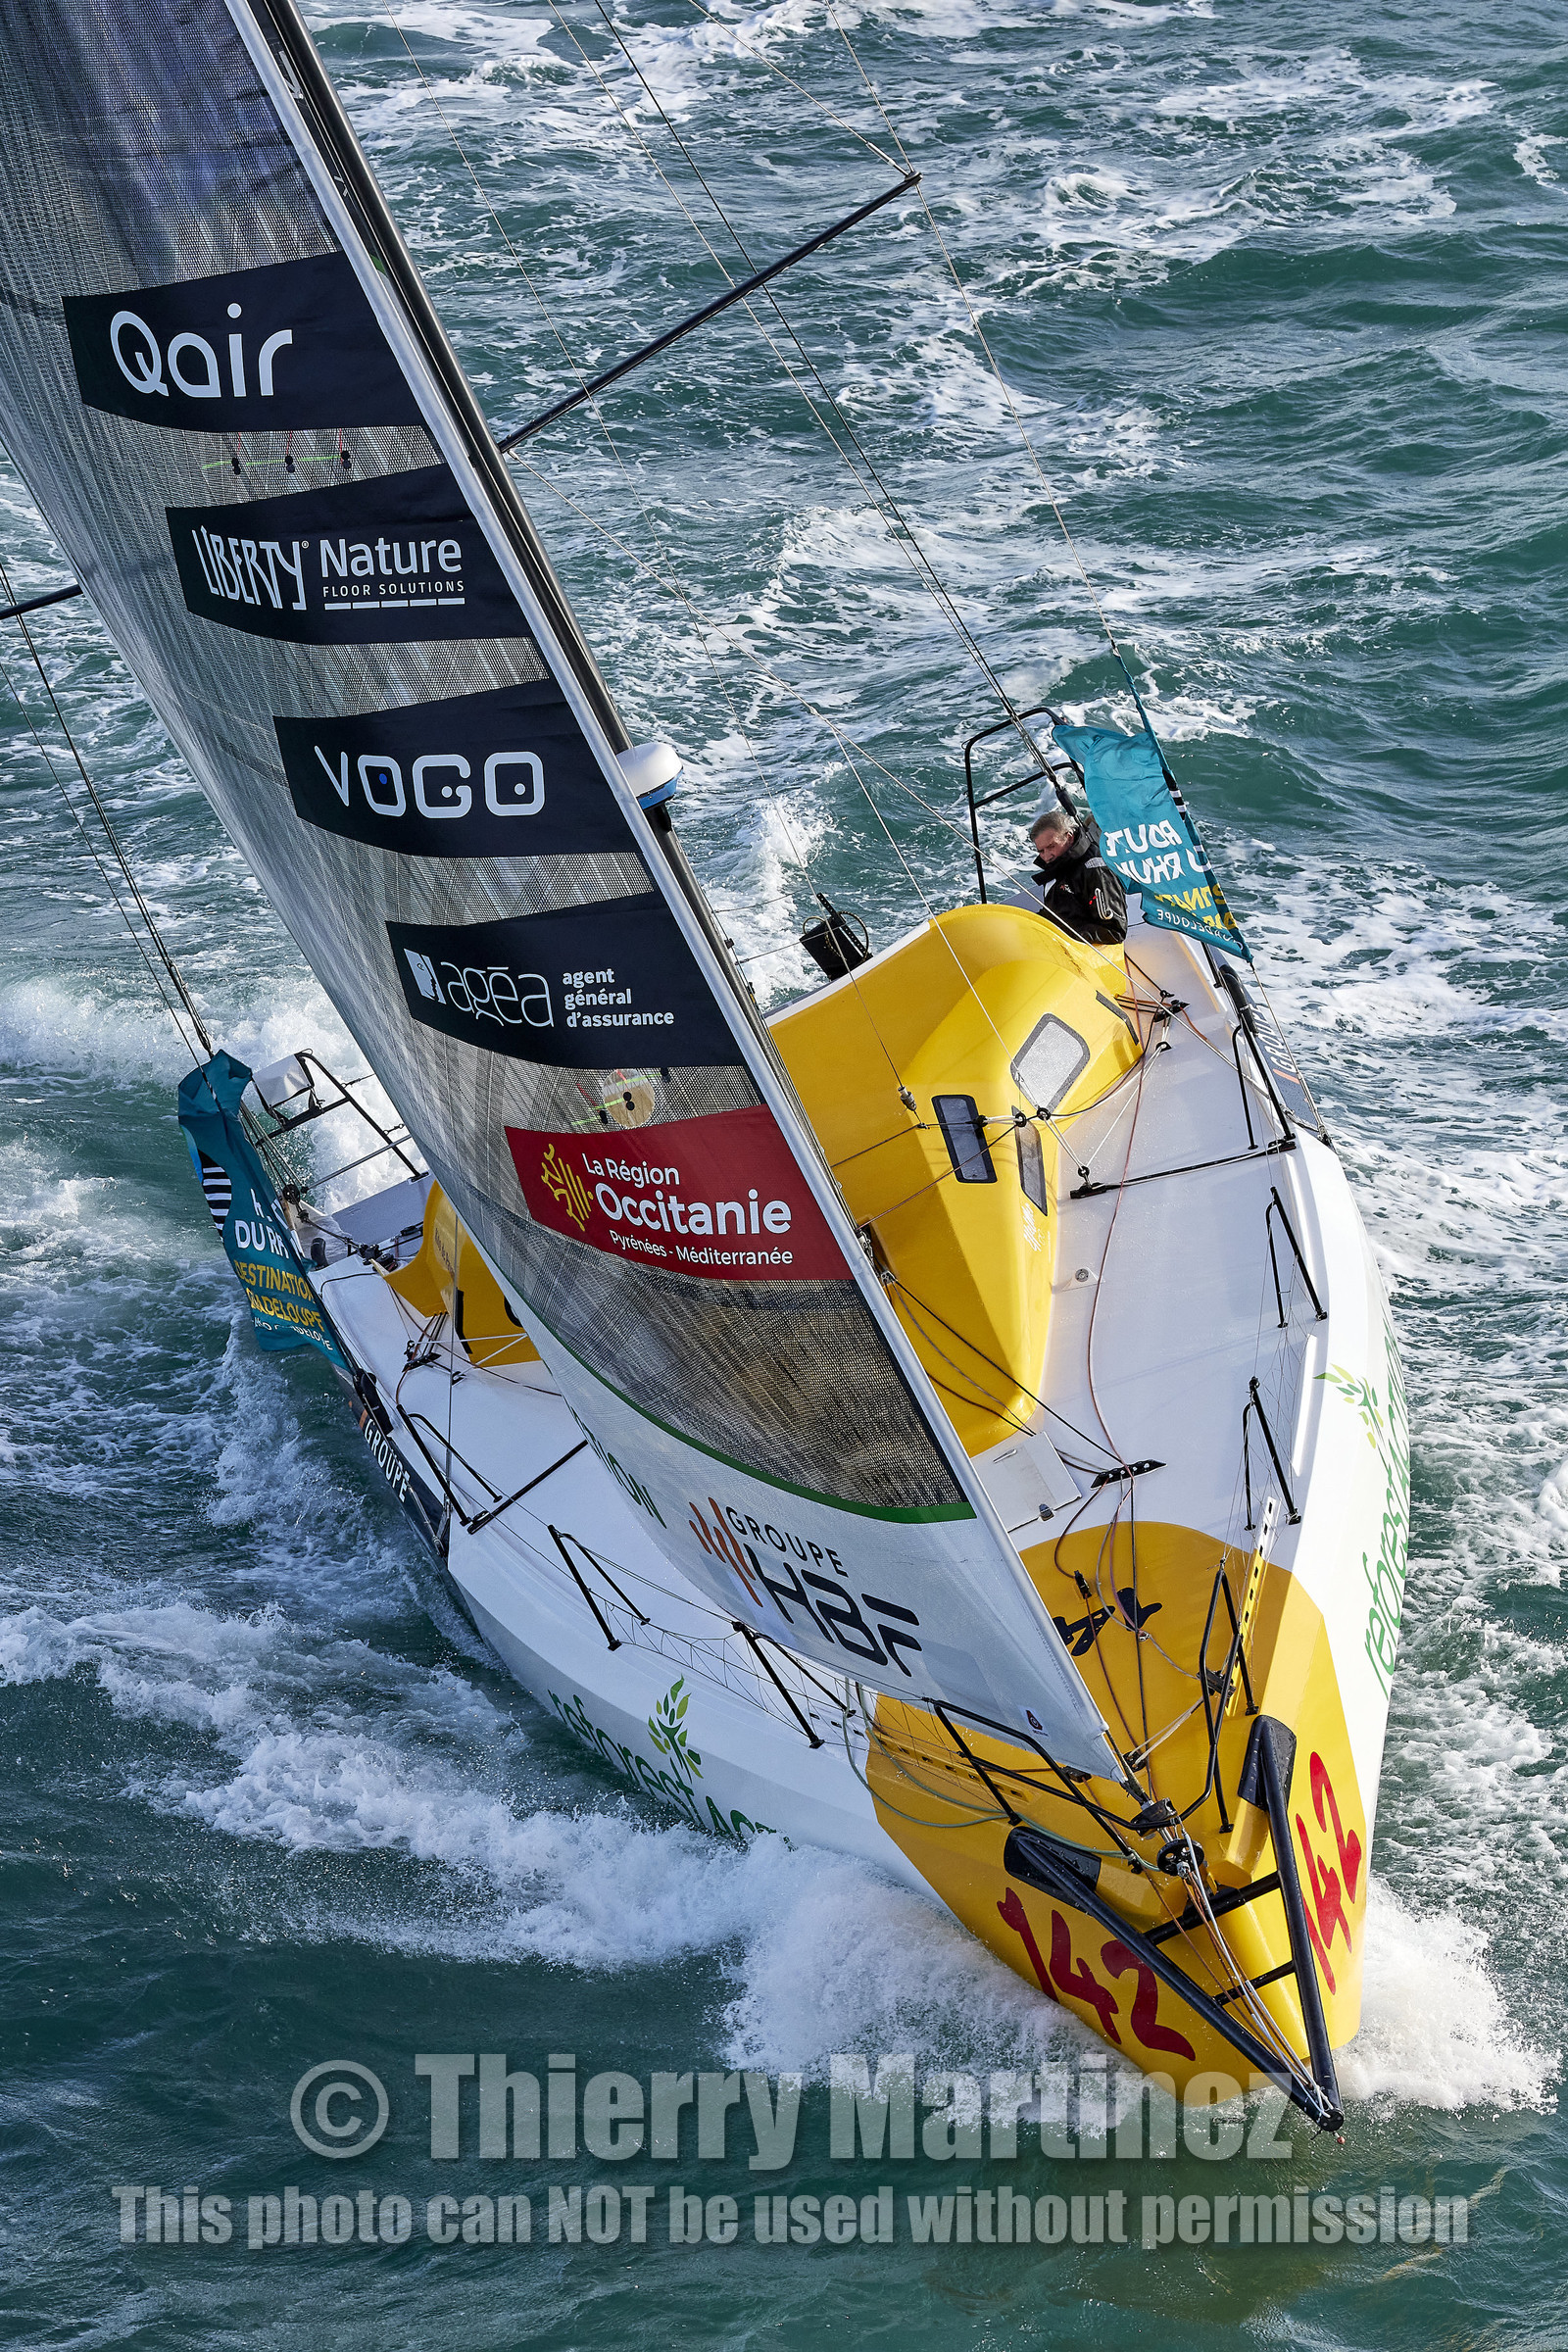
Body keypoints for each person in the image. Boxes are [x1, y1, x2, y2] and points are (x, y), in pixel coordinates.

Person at [1026, 799, 1127, 946]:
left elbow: (1115, 931)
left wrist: (1059, 933)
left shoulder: (1095, 872)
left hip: (1080, 949)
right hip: (1055, 936)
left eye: (1051, 846)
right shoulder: (1058, 863)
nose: (1046, 856)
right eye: (1041, 851)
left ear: (1069, 837)